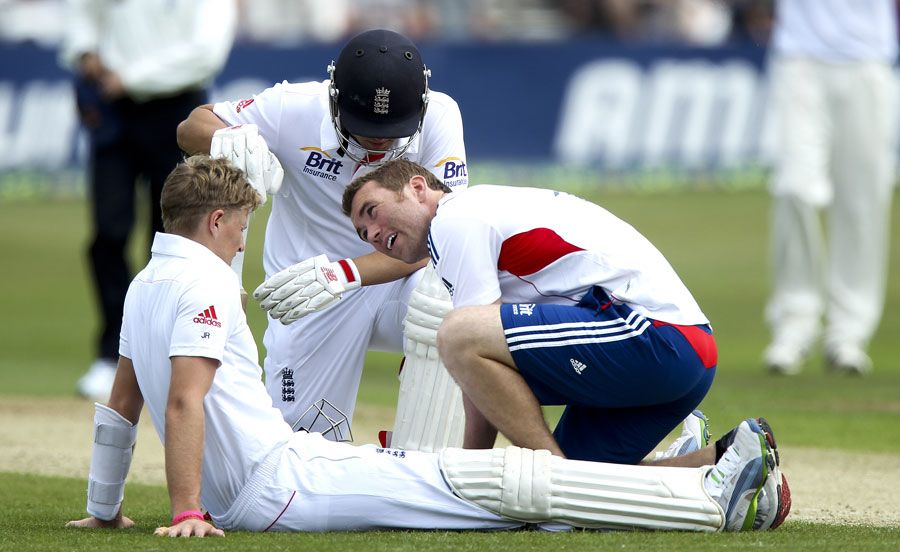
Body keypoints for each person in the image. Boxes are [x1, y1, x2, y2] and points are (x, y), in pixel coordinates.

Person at [65, 156, 788, 537]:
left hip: (658, 337)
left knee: (474, 370)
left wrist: (131, 507)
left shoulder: (463, 216)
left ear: (420, 185)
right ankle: (725, 465)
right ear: (217, 220)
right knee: (574, 502)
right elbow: (168, 399)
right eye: (364, 234)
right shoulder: (195, 282)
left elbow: (471, 345)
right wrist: (179, 509)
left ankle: (546, 473)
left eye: (376, 215)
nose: (377, 237)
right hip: (654, 349)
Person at [176, 29, 469, 435]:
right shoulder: (291, 108)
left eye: (392, 131)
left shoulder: (440, 115)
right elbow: (190, 126)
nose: (380, 144)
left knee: (454, 305)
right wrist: (229, 139)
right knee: (297, 445)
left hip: (394, 281)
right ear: (334, 97)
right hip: (306, 292)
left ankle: (422, 459)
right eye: (366, 128)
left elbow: (446, 237)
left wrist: (345, 273)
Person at [59, 0, 238, 401]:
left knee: (174, 241)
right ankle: (112, 355)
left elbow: (205, 52)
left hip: (178, 111)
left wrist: (131, 76)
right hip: (114, 111)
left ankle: (167, 354)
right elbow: (83, 13)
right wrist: (86, 51)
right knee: (108, 232)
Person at [762, 0, 898, 376]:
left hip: (868, 59)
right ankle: (794, 324)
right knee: (794, 188)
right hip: (799, 58)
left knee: (863, 203)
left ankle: (848, 334)